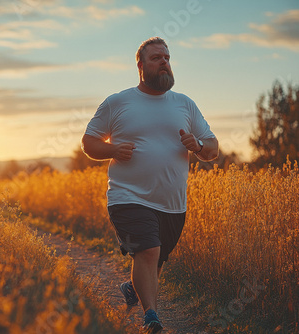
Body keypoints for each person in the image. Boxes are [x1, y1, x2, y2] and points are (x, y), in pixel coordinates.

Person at [81, 37, 218, 333]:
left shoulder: (185, 104)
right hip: (127, 197)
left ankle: (134, 289)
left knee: (154, 261)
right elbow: (89, 142)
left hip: (172, 204)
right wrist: (112, 150)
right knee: (148, 251)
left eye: (167, 57)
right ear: (141, 66)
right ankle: (152, 318)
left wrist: (197, 144)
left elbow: (212, 149)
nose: (164, 62)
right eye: (156, 58)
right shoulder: (118, 102)